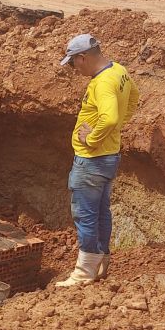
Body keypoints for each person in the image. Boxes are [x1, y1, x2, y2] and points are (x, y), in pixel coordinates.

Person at [56, 34, 137, 287]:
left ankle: (83, 273)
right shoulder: (119, 71)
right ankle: (101, 264)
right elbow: (134, 98)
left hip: (92, 160)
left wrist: (92, 139)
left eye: (73, 63)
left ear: (83, 57)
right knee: (101, 212)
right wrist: (114, 130)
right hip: (109, 157)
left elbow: (110, 118)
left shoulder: (101, 83)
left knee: (85, 214)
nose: (73, 68)